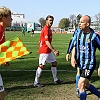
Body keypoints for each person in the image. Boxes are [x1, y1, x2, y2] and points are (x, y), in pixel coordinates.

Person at [66, 15, 100, 100]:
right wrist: (68, 53)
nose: (79, 24)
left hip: (89, 64)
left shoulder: (94, 36)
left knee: (80, 84)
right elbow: (72, 41)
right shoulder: (78, 32)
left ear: (87, 24)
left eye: (82, 22)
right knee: (86, 85)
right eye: (79, 22)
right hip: (80, 63)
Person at [34, 15, 63, 87]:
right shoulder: (46, 29)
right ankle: (36, 82)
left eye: (52, 20)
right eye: (50, 20)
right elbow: (47, 42)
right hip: (45, 50)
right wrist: (54, 50)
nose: (51, 22)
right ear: (46, 21)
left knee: (54, 63)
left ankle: (55, 79)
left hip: (48, 50)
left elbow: (40, 40)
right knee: (41, 65)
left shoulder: (49, 29)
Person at [0, 6, 12, 100]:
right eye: (10, 17)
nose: (11, 19)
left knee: (2, 94)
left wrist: (4, 58)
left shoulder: (2, 30)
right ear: (4, 18)